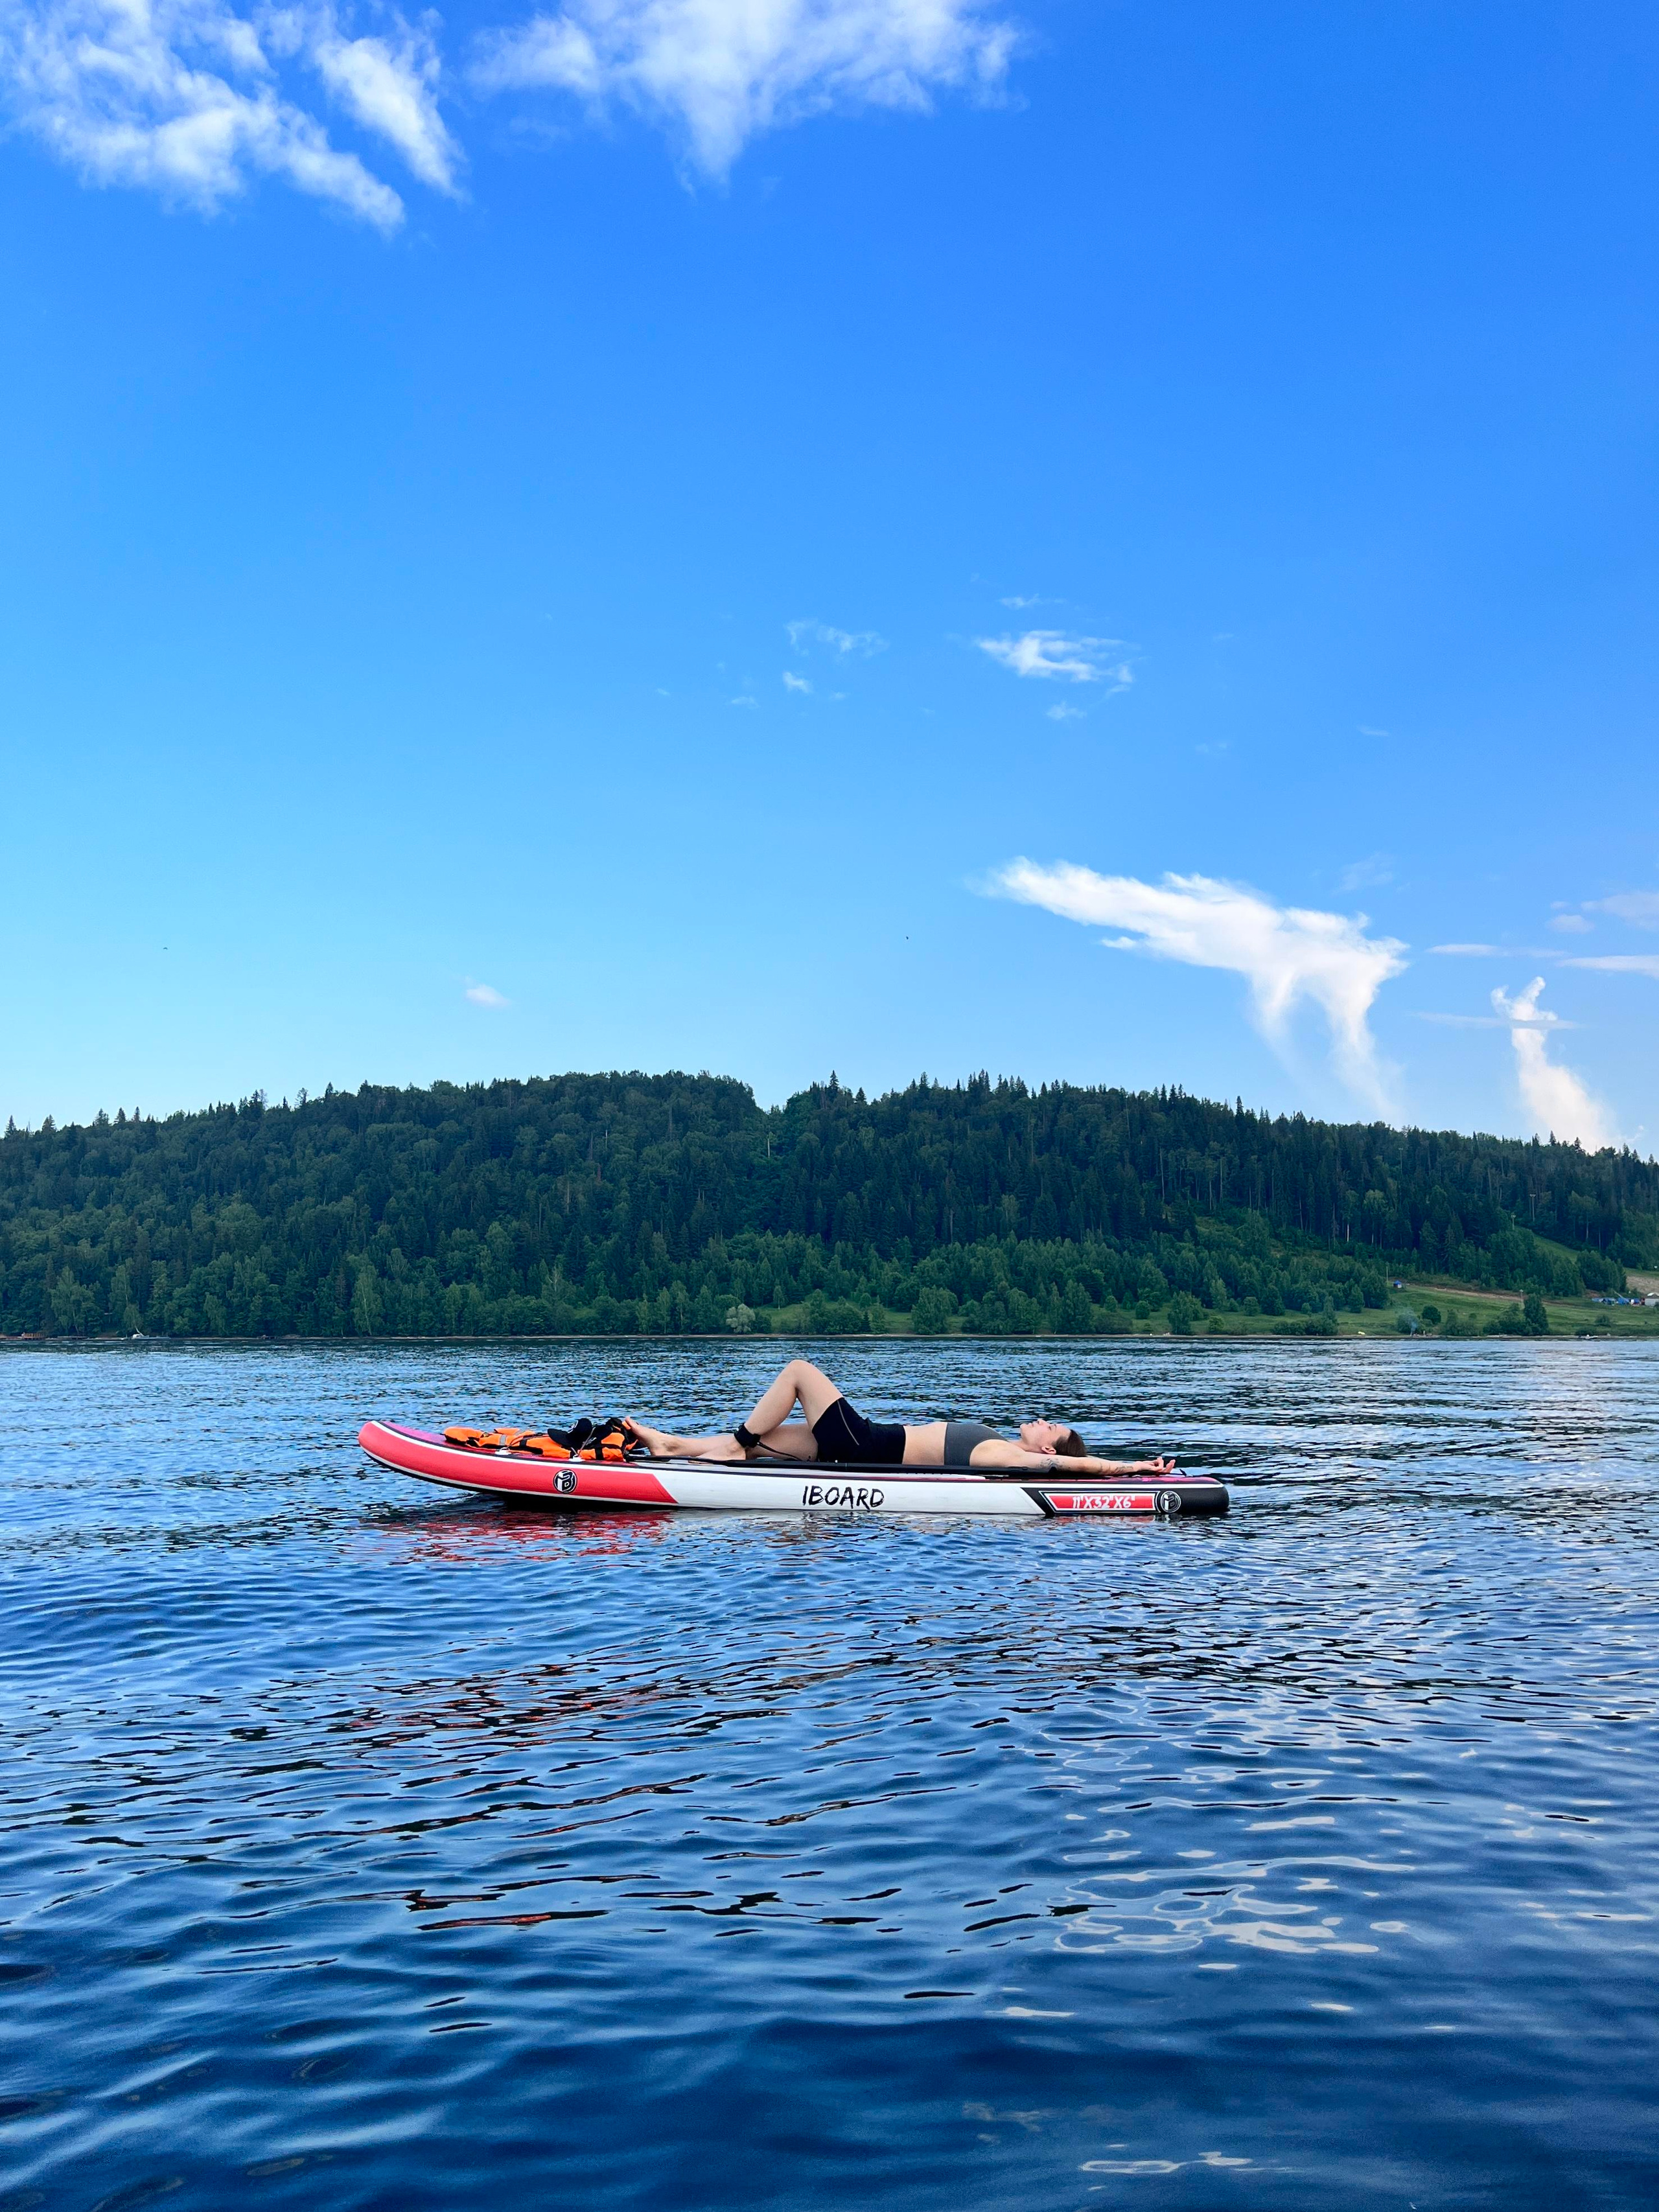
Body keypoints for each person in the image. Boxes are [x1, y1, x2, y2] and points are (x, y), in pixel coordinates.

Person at [626, 1357, 1176, 1478]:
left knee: (797, 1371)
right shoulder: (1002, 1444)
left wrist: (1125, 1469)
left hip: (864, 1444)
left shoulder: (1007, 1456)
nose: (1041, 1421)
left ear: (1047, 1449)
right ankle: (672, 1447)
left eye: (1050, 1427)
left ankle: (732, 1444)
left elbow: (1067, 1472)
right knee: (768, 1442)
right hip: (860, 1445)